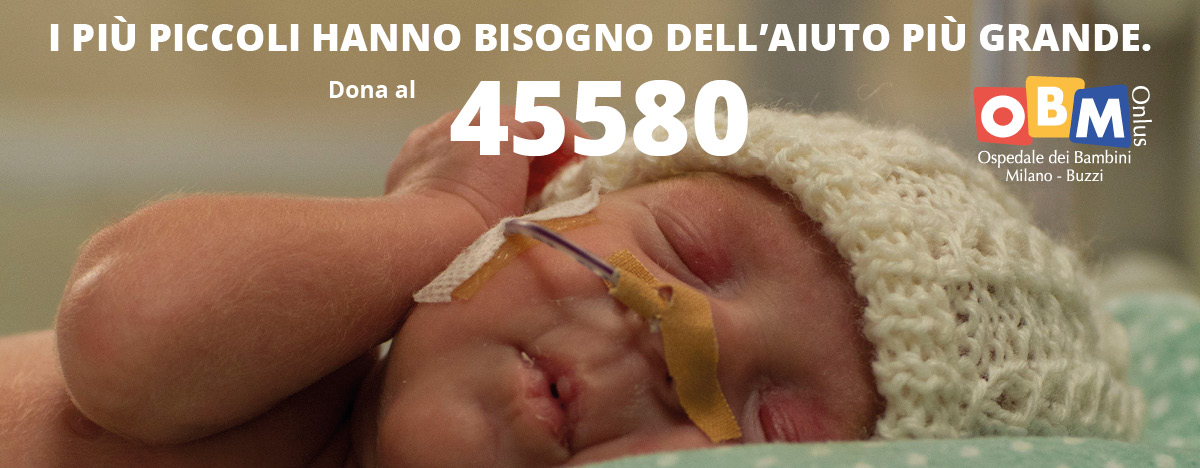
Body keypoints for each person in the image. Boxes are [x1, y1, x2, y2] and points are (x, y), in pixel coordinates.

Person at [0, 108, 1141, 468]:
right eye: (684, 250)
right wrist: (443, 214)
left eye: (771, 425)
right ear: (547, 204)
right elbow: (126, 328)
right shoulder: (309, 379)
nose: (685, 341)